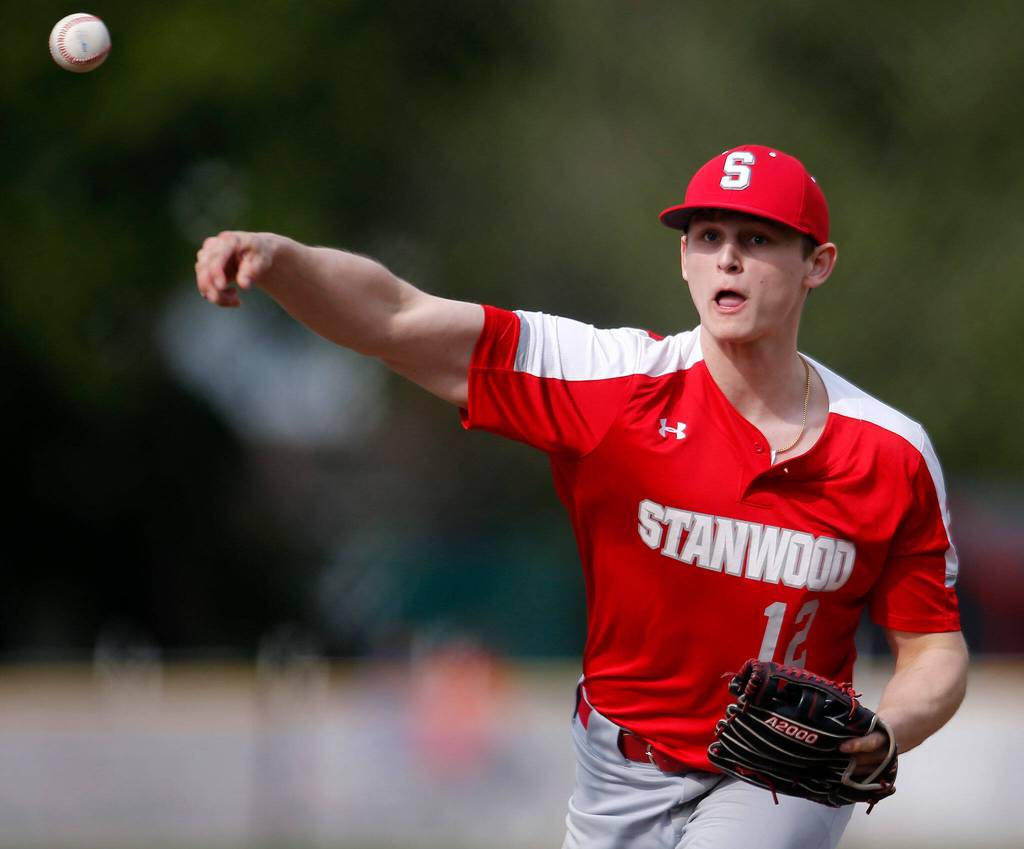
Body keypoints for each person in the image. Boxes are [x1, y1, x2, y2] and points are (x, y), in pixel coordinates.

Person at [194, 145, 968, 849]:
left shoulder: (888, 450)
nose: (728, 259)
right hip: (617, 767)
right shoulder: (610, 384)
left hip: (783, 773)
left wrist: (887, 730)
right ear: (684, 259)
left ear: (818, 262)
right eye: (708, 237)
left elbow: (933, 648)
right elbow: (398, 316)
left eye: (758, 239)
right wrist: (279, 259)